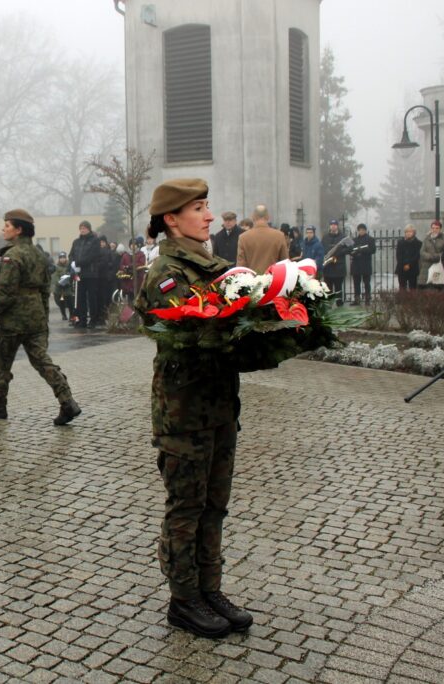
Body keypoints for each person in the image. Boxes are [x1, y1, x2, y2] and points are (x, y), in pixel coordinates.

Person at [134, 178, 251, 640]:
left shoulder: (214, 264)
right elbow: (191, 333)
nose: (208, 216)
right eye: (199, 208)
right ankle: (184, 600)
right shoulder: (166, 272)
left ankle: (210, 588)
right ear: (172, 218)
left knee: (215, 505)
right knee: (186, 506)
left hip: (220, 405)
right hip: (183, 411)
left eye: (208, 206)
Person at [0, 209, 80, 425]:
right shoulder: (39, 255)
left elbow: (6, 294)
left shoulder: (12, 256)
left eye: (7, 225)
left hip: (13, 320)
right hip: (36, 318)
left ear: (19, 229)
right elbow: (44, 290)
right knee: (42, 362)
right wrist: (44, 319)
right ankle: (67, 401)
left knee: (2, 364)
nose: (3, 229)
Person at [236, 204, 288, 274]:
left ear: (253, 217)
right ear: (268, 217)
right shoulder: (279, 236)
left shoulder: (243, 237)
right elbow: (285, 263)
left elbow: (240, 266)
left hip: (251, 282)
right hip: (274, 281)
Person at [68, 220, 101, 328]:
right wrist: (73, 263)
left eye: (84, 228)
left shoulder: (95, 241)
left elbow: (92, 256)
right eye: (81, 228)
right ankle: (81, 320)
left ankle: (93, 320)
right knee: (80, 298)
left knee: (92, 298)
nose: (82, 230)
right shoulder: (76, 242)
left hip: (91, 273)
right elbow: (71, 254)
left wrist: (78, 263)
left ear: (89, 229)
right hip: (79, 274)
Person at [322, 220, 348, 304]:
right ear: (330, 226)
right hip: (328, 268)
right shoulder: (325, 237)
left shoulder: (344, 237)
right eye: (331, 225)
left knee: (338, 288)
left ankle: (339, 304)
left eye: (335, 225)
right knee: (328, 288)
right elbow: (321, 249)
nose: (333, 226)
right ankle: (329, 304)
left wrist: (340, 252)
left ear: (337, 226)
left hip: (339, 268)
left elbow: (350, 248)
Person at [349, 223, 375, 304]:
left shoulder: (370, 239)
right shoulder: (354, 240)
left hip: (365, 264)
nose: (361, 231)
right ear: (358, 231)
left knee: (366, 282)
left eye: (363, 230)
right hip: (356, 264)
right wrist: (354, 252)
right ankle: (357, 299)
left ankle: (367, 298)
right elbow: (350, 250)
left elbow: (373, 250)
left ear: (365, 230)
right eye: (360, 230)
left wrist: (362, 250)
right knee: (356, 283)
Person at [418, 219, 444, 289]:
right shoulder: (426, 239)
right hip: (426, 266)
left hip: (437, 265)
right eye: (433, 228)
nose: (435, 230)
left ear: (440, 229)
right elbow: (422, 252)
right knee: (424, 286)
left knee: (436, 285)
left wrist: (437, 256)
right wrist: (430, 256)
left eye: (437, 228)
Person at [395, 224, 421, 291]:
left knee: (413, 288)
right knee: (402, 288)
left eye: (410, 231)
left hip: (413, 268)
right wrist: (404, 264)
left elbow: (417, 256)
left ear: (414, 233)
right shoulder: (400, 242)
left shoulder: (418, 243)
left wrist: (409, 264)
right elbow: (398, 255)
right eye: (406, 232)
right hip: (401, 268)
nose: (408, 233)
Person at [52, 251, 73, 320]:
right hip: (60, 289)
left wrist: (68, 282)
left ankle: (71, 315)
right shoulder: (56, 267)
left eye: (64, 257)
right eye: (61, 258)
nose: (62, 259)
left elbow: (72, 275)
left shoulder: (69, 266)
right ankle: (64, 315)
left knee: (70, 303)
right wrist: (59, 283)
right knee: (61, 303)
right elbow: (55, 277)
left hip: (68, 288)